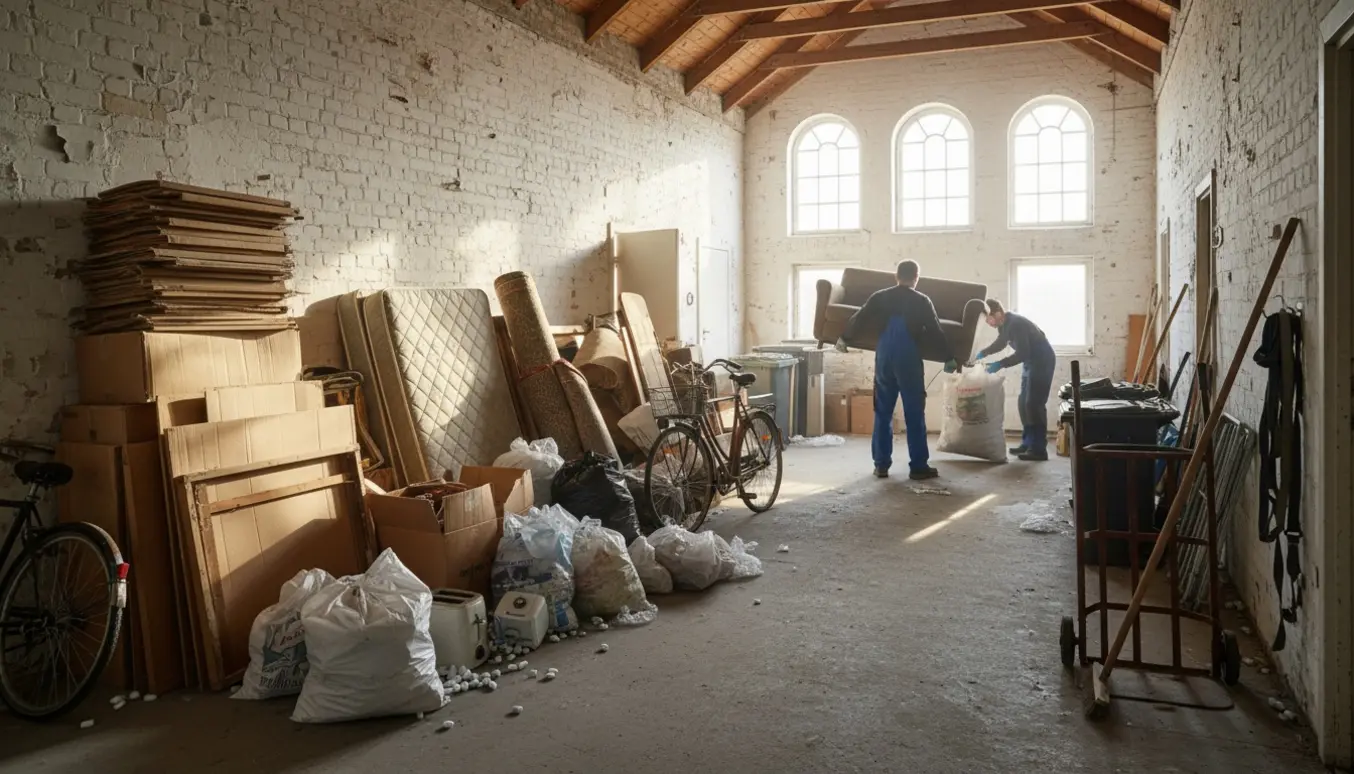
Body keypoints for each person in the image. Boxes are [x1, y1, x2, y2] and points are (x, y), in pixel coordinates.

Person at [836, 261, 958, 480]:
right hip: (908, 358)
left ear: (896, 276)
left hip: (884, 357)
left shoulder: (880, 296)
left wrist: (844, 337)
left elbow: (860, 317)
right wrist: (948, 357)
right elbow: (935, 330)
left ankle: (881, 465)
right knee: (914, 412)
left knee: (882, 412)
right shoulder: (922, 300)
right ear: (916, 277)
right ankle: (918, 466)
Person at [973, 299, 1056, 461]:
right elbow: (1001, 343)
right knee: (1023, 402)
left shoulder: (1015, 324)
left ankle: (1038, 449)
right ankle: (1027, 443)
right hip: (1030, 362)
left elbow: (1023, 353)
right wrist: (984, 352)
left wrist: (1000, 364)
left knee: (1034, 404)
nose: (988, 323)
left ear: (997, 313)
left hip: (1042, 361)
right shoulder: (1004, 325)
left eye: (989, 319)